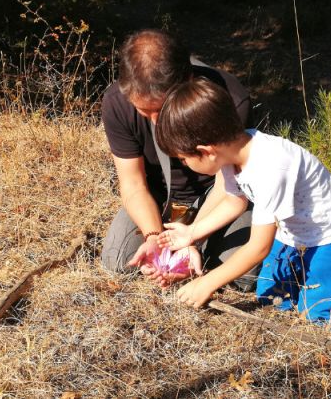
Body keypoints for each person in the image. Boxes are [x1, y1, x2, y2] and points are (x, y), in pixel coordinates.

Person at [153, 78, 331, 323]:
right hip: (293, 233)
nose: (184, 165)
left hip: (330, 235)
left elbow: (259, 247)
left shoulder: (270, 167)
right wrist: (192, 233)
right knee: (273, 299)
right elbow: (235, 202)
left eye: (183, 159)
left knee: (317, 316)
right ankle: (328, 275)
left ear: (206, 151)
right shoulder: (231, 154)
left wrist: (207, 283)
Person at [100, 29, 259, 290]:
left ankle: (204, 252)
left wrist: (190, 239)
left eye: (161, 108)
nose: (155, 120)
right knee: (117, 260)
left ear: (188, 79)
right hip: (161, 197)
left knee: (243, 276)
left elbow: (227, 185)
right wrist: (154, 237)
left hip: (219, 196)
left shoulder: (228, 99)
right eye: (144, 110)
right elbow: (133, 183)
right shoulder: (117, 103)